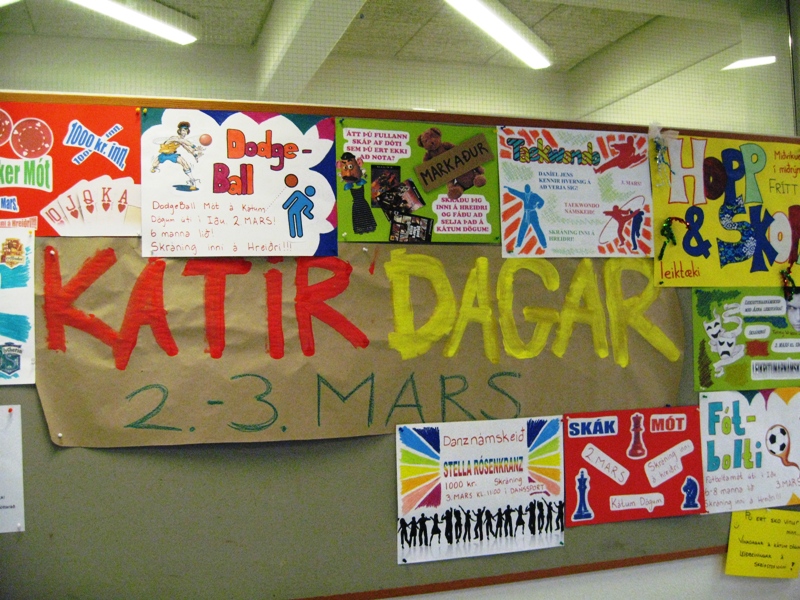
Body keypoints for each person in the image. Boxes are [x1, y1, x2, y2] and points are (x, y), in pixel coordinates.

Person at [151, 121, 203, 190]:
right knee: (154, 166)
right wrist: (194, 146)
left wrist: (195, 155)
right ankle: (154, 168)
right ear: (179, 131)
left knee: (184, 163)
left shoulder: (181, 141)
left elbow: (188, 149)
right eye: (183, 130)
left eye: (186, 131)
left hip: (172, 155)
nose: (185, 132)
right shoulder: (174, 138)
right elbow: (184, 141)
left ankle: (192, 182)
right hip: (163, 155)